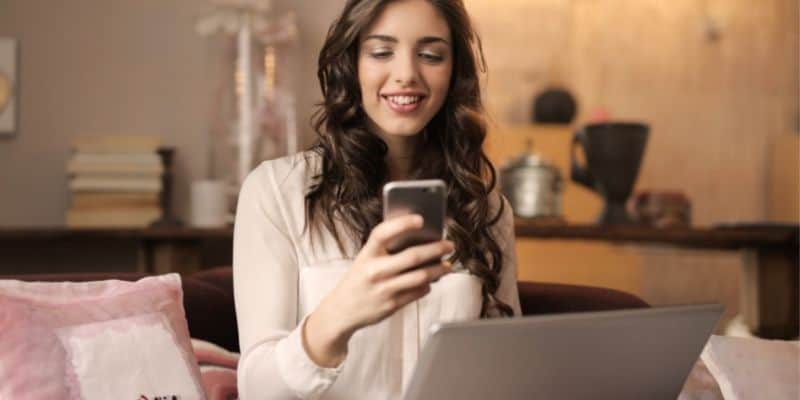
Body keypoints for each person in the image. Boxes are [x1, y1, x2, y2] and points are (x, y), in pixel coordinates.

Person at [233, 0, 521, 399]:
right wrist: (340, 314)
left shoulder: (484, 206)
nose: (406, 74)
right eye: (381, 52)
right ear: (351, 65)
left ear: (454, 71)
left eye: (431, 55)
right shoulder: (276, 191)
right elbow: (256, 390)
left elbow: (507, 370)